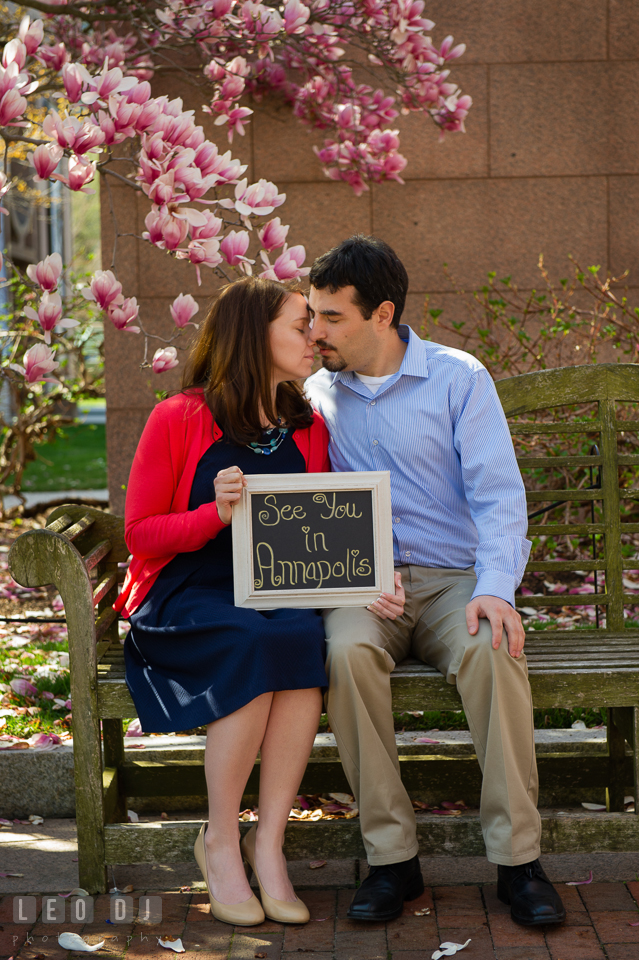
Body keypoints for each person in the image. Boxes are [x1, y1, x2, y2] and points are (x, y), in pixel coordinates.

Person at [115, 276, 403, 927]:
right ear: (254, 334)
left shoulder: (305, 426)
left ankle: (265, 842)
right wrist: (211, 515)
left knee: (300, 639)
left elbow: (328, 525)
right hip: (189, 591)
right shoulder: (180, 416)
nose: (315, 335)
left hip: (278, 590)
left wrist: (372, 572)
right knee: (253, 639)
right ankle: (219, 837)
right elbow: (140, 533)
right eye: (299, 324)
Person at [304, 235, 566, 928]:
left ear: (381, 314)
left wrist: (494, 588)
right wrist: (353, 578)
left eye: (331, 317)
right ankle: (391, 862)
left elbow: (497, 496)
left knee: (493, 649)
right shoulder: (313, 392)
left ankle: (518, 864)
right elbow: (306, 504)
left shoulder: (458, 378)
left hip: (455, 582)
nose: (315, 331)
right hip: (368, 586)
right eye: (311, 314)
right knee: (345, 654)